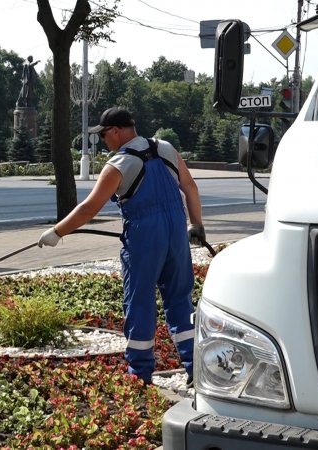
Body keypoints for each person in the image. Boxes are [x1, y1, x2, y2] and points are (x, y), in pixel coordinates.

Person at [37, 107, 206, 385]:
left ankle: (139, 375)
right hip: (176, 231)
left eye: (104, 135)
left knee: (139, 302)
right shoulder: (165, 149)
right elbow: (190, 186)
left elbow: (89, 208)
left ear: (116, 131)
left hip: (143, 237)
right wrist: (196, 225)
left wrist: (57, 231)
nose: (104, 141)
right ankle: (196, 369)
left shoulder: (119, 164)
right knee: (179, 299)